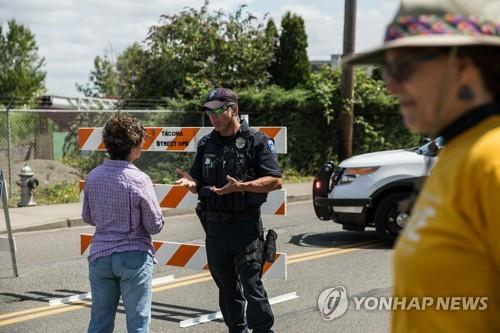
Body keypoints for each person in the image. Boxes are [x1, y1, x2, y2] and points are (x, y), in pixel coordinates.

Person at [345, 0, 500, 332]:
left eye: (402, 68)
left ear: (463, 64)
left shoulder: (492, 159)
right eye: (387, 70)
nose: (390, 85)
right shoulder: (460, 151)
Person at [176, 87, 282, 333]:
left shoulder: (258, 141)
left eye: (217, 111)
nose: (212, 117)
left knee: (252, 286)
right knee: (227, 289)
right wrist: (192, 184)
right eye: (209, 112)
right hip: (214, 228)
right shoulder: (206, 143)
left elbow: (275, 180)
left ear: (232, 109)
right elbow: (198, 180)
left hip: (245, 227)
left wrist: (241, 187)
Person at [82, 113, 165, 333]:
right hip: (133, 257)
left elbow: (88, 217)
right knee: (138, 321)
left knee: (100, 321)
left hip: (100, 255)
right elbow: (154, 225)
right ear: (134, 146)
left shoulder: (92, 177)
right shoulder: (139, 179)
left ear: (107, 144)